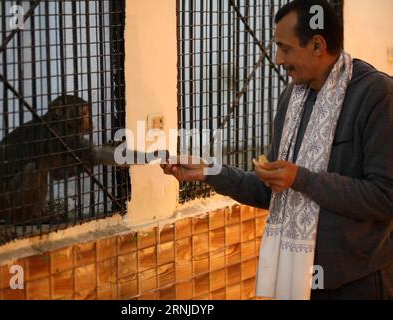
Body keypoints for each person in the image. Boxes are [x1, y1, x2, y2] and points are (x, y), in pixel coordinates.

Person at [161, 0, 392, 300]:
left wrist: (302, 179)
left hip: (360, 283)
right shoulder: (291, 100)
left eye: (285, 48)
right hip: (299, 278)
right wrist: (209, 171)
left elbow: (386, 197)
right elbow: (271, 192)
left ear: (318, 46)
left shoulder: (376, 96)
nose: (279, 59)